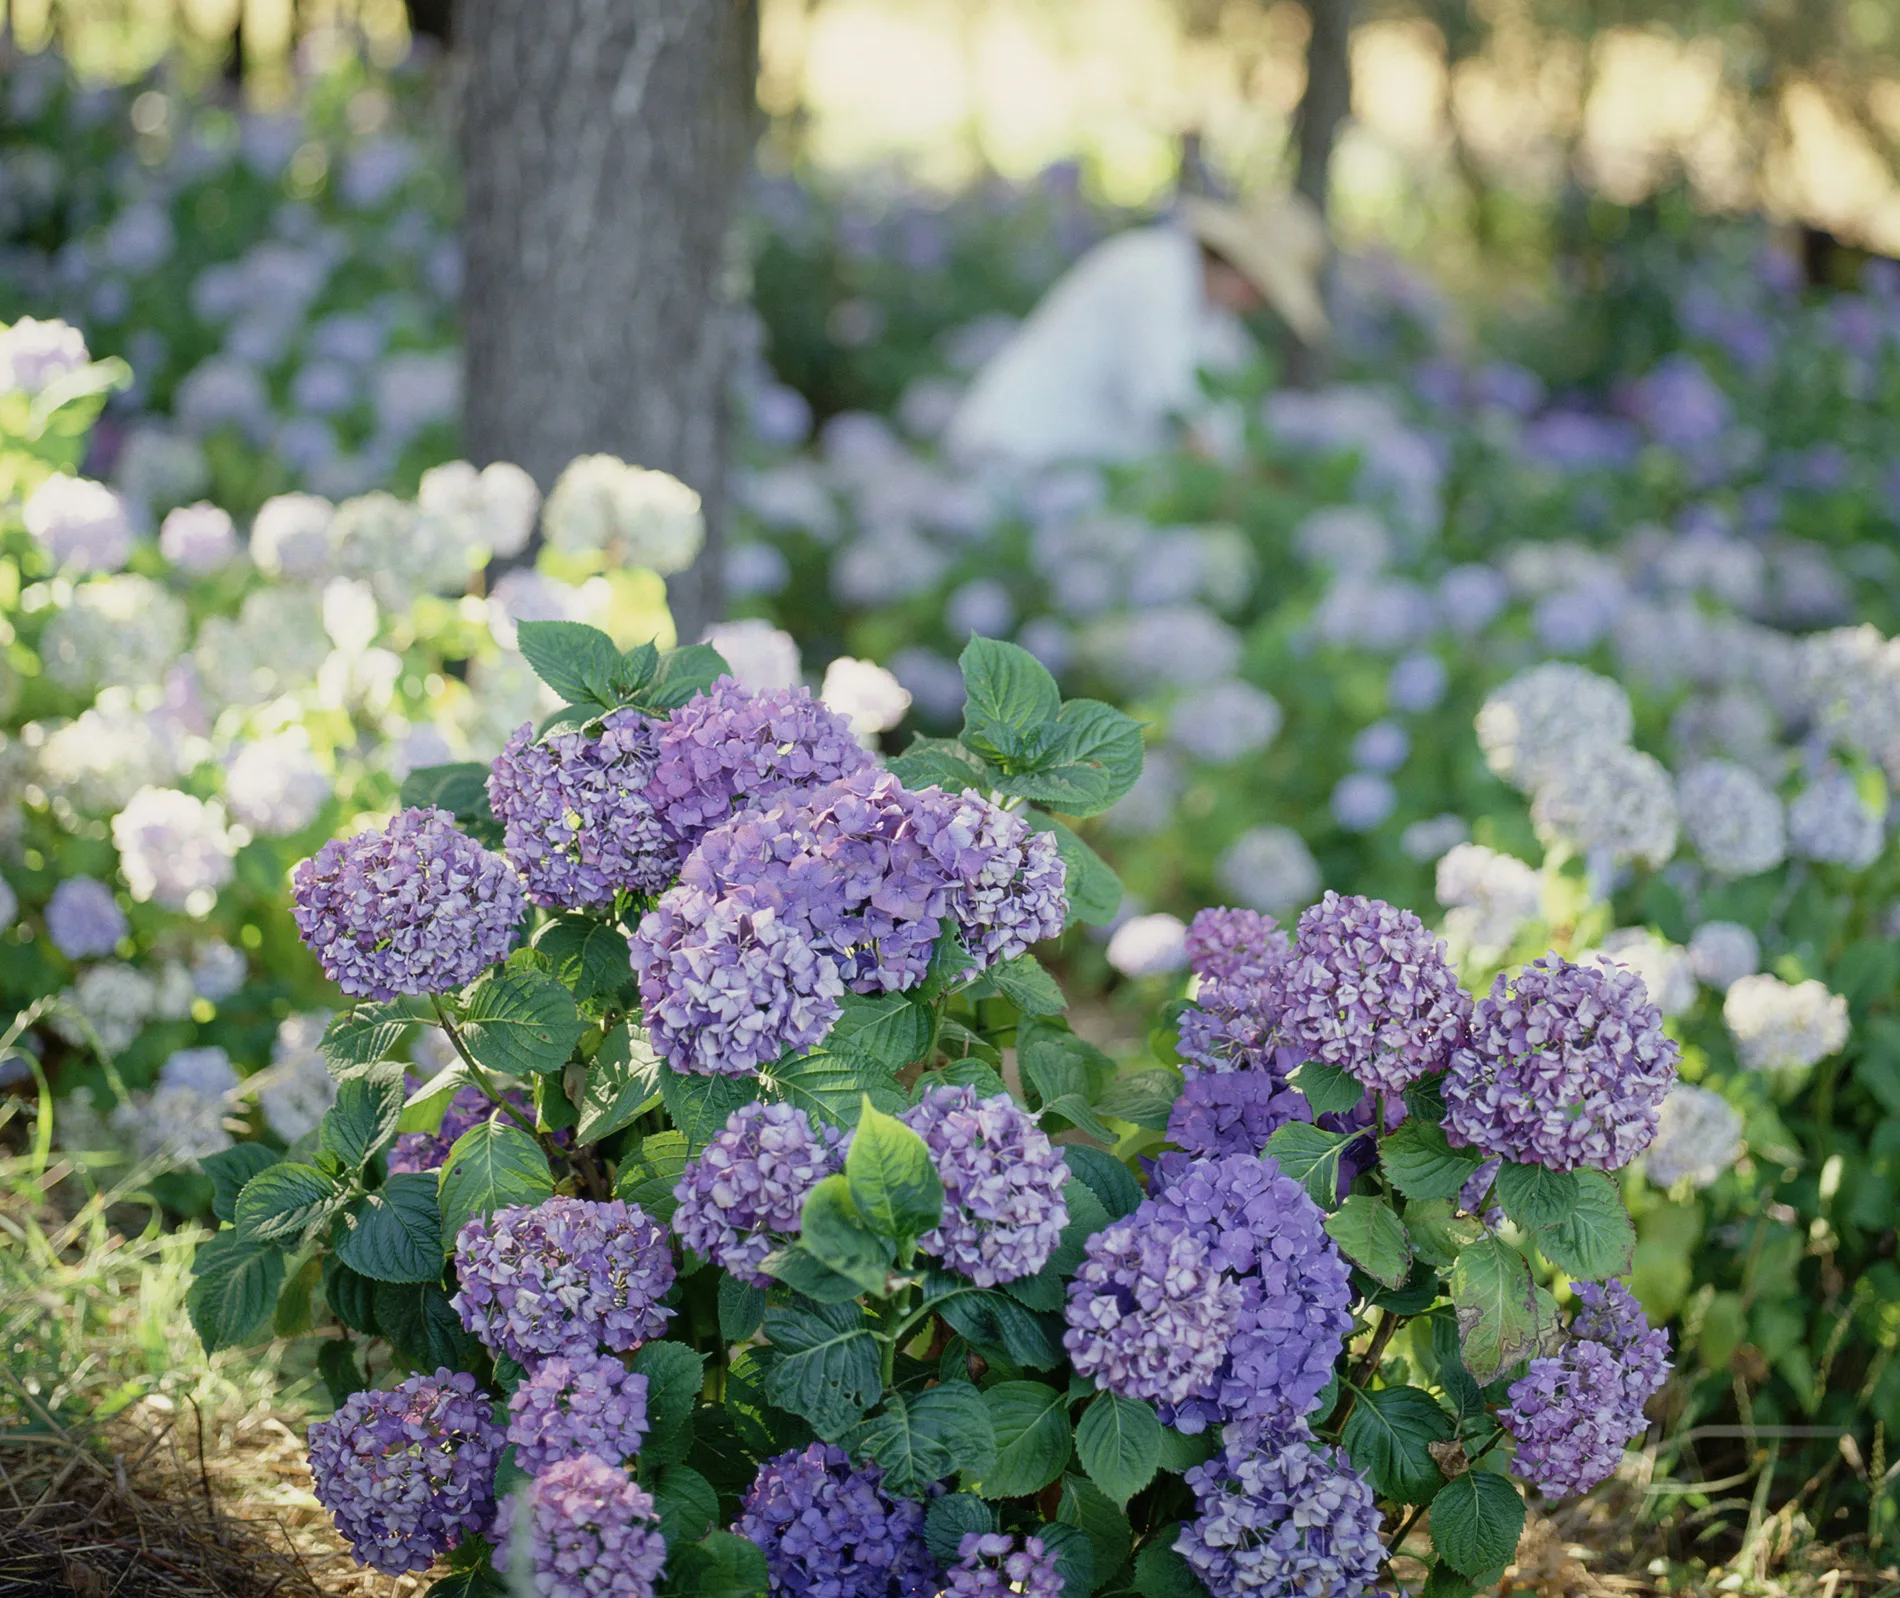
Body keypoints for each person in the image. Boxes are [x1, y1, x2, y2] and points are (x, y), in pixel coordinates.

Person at [944, 190, 1329, 469]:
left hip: (1068, 472)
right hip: (1012, 451)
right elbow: (1164, 408)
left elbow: (1224, 426)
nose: (1255, 307)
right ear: (1244, 271)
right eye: (1262, 294)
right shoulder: (1151, 270)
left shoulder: (1215, 323)